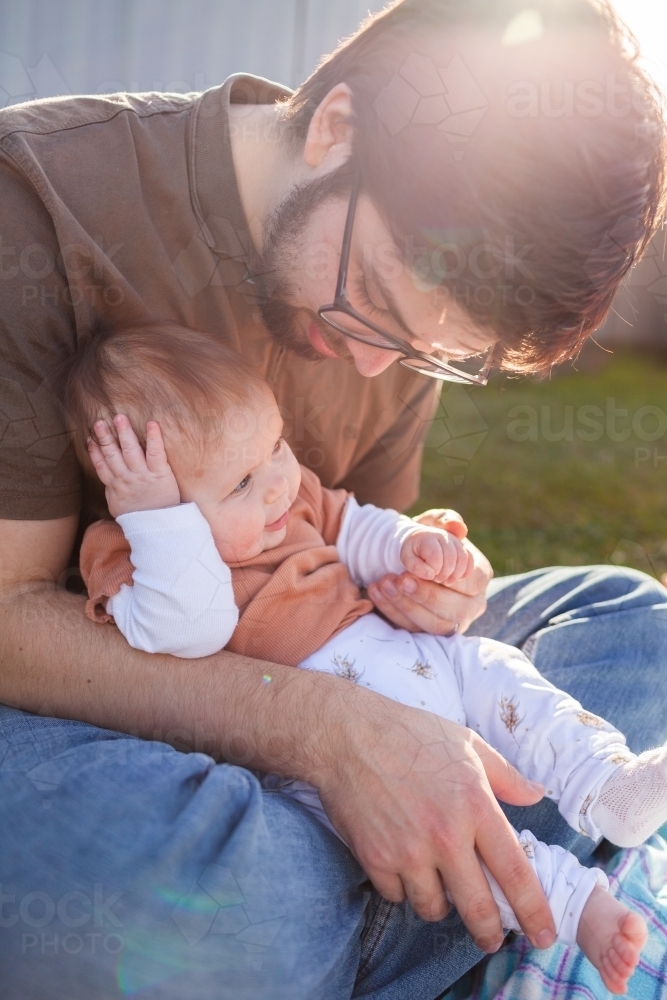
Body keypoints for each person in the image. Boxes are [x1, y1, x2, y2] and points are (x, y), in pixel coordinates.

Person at [1, 0, 666, 995]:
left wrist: (418, 586)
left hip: (311, 696)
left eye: (428, 351)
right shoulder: (39, 203)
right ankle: (476, 909)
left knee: (634, 630)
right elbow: (8, 621)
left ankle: (419, 901)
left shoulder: (393, 314)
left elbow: (356, 588)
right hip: (83, 715)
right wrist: (325, 732)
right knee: (235, 899)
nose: (372, 361)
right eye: (374, 308)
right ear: (335, 130)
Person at [68, 323, 662, 993]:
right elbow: (190, 629)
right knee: (457, 845)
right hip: (326, 768)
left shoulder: (282, 500)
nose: (276, 487)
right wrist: (157, 523)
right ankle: (575, 905)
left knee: (505, 669)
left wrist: (417, 550)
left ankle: (605, 784)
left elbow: (355, 525)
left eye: (276, 447)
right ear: (145, 501)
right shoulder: (124, 552)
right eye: (238, 483)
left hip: (415, 658)